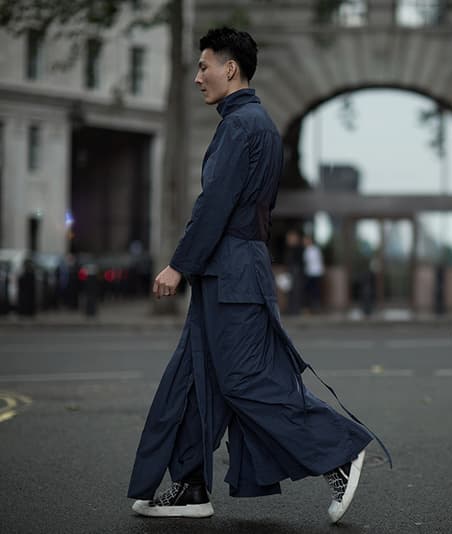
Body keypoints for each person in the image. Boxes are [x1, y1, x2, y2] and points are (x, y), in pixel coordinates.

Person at [127, 27, 388, 524]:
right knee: (194, 380)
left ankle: (339, 452)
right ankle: (189, 488)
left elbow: (216, 206)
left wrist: (178, 264)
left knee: (244, 380)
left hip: (231, 273)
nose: (198, 77)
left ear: (230, 69)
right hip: (229, 272)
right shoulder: (251, 123)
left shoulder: (242, 126)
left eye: (204, 66)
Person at [303, 234, 325, 312]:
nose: (305, 242)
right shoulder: (306, 250)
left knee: (315, 290)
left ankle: (316, 306)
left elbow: (317, 261)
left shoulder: (315, 250)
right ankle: (312, 306)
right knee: (310, 290)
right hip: (310, 273)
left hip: (315, 273)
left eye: (306, 240)